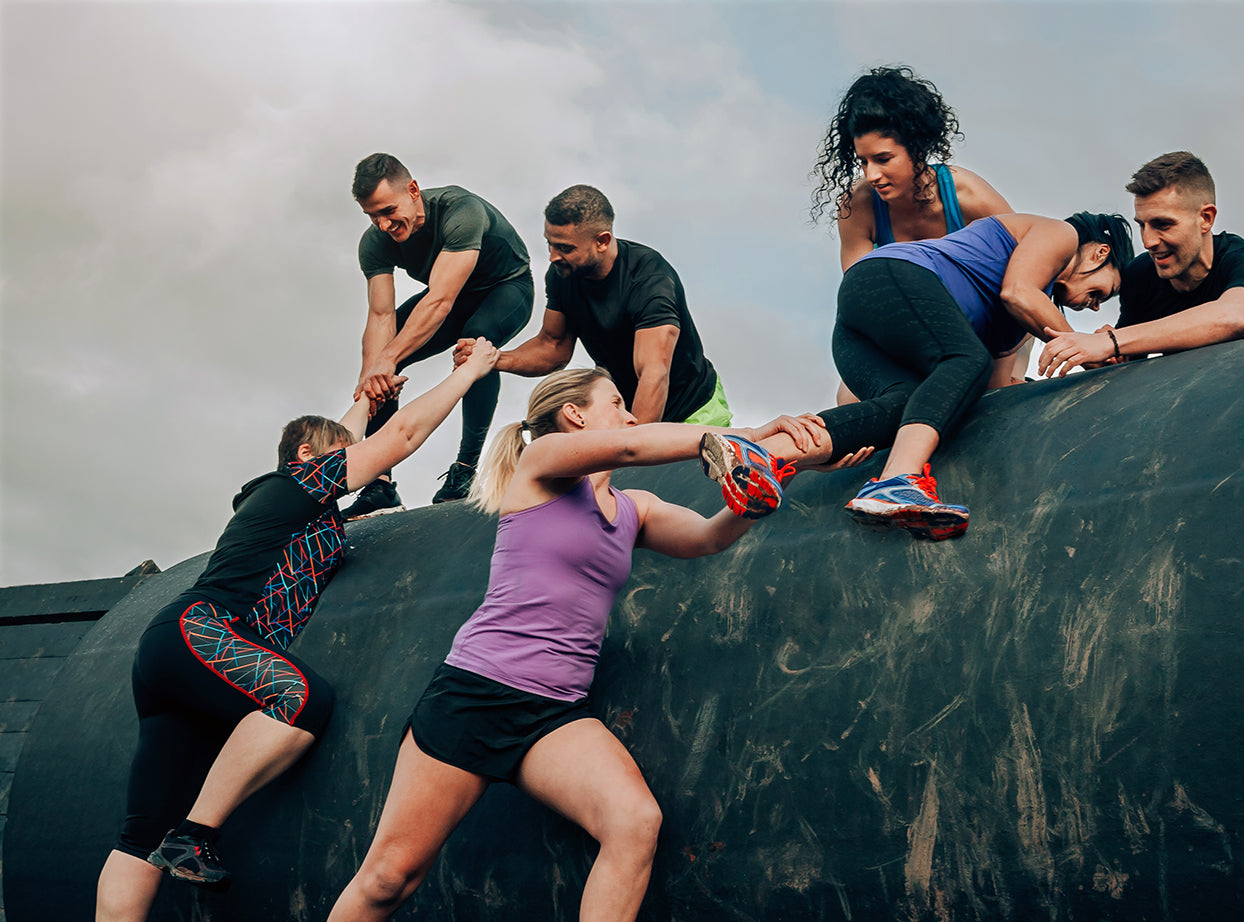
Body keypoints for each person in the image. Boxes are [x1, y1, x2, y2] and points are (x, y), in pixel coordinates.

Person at [326, 368, 823, 922]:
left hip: (555, 711)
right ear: (575, 414)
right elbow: (634, 443)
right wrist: (744, 436)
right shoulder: (543, 466)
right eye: (617, 402)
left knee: (634, 823)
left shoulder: (636, 509)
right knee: (389, 878)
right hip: (476, 693)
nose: (631, 414)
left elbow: (708, 537)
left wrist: (781, 469)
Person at [94, 340, 506, 922]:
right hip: (204, 631)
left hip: (175, 656)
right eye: (346, 452)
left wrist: (364, 399)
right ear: (310, 456)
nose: (359, 460)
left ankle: (172, 837)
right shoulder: (296, 483)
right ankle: (194, 833)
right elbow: (402, 438)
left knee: (139, 836)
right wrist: (473, 372)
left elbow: (353, 428)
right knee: (303, 701)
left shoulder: (300, 508)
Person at [727, 211, 1135, 541]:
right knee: (964, 360)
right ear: (1099, 254)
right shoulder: (1058, 235)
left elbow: (978, 392)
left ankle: (764, 454)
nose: (1095, 308)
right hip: (891, 278)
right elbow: (1018, 292)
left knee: (903, 407)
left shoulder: (1014, 325)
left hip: (859, 321)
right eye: (1102, 292)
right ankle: (895, 482)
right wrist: (1090, 350)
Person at [810, 65, 1025, 392]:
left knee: (993, 397)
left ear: (917, 147)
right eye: (863, 161)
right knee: (848, 397)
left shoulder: (968, 196)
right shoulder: (859, 206)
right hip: (911, 330)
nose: (871, 175)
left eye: (883, 159)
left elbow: (1024, 278)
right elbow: (866, 302)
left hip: (993, 330)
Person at [345, 153, 534, 516]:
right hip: (452, 297)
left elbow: (441, 300)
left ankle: (464, 471)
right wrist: (372, 372)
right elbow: (382, 314)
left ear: (413, 190)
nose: (383, 224)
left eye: (387, 211)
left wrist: (387, 358)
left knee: (474, 342)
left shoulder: (460, 210)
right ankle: (379, 482)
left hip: (506, 290)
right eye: (372, 216)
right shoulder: (375, 242)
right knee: (382, 362)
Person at [469, 184, 728, 426]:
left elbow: (653, 375)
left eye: (565, 248)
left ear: (602, 241)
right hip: (626, 412)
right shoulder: (563, 274)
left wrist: (630, 453)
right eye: (549, 243)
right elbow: (553, 346)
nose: (553, 256)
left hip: (694, 413)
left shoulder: (649, 280)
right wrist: (494, 359)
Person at [1038, 151, 1244, 376]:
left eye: (1163, 224)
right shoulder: (1140, 276)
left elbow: (1235, 317)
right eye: (1142, 225)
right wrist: (1112, 353)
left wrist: (1113, 341)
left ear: (1205, 218)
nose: (1148, 241)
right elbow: (1126, 360)